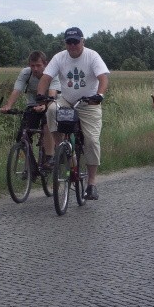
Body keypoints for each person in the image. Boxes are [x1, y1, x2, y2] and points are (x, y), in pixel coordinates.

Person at [36, 27, 109, 201]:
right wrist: (40, 95)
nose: (72, 45)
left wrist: (99, 95)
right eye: (69, 42)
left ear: (82, 41)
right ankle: (60, 147)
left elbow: (103, 78)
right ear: (65, 43)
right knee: (52, 109)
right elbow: (46, 77)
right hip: (67, 99)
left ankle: (91, 183)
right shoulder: (60, 57)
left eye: (76, 41)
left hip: (88, 102)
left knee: (91, 140)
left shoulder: (92, 56)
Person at [0, 51, 60, 168]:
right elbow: (17, 90)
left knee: (47, 124)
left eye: (38, 65)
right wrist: (8, 106)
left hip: (53, 103)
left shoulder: (52, 74)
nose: (35, 69)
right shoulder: (26, 73)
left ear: (45, 64)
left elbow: (52, 94)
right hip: (33, 105)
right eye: (32, 65)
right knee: (23, 135)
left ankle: (49, 158)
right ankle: (30, 167)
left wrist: (45, 106)